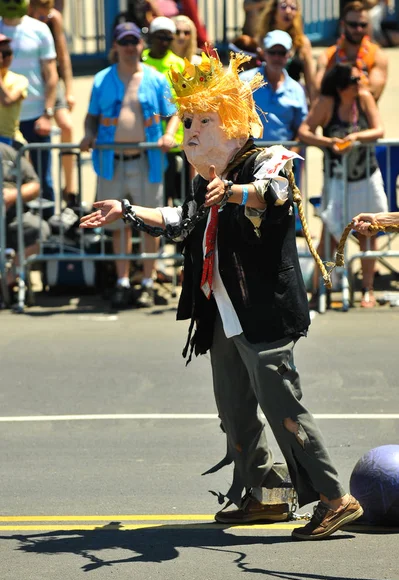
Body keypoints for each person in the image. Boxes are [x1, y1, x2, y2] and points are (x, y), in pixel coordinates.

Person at [80, 50, 364, 541]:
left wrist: (231, 192)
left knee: (283, 406)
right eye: (187, 120)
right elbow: (182, 220)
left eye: (204, 120)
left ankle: (336, 499)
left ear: (232, 120)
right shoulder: (202, 178)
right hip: (223, 313)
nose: (191, 131)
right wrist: (126, 208)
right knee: (233, 409)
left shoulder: (267, 160)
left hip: (264, 310)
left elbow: (273, 194)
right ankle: (265, 495)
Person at [79, 22, 179, 310]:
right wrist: (88, 133)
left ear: (141, 45)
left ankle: (147, 282)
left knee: (150, 222)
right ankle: (123, 281)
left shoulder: (156, 78)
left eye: (134, 42)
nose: (129, 47)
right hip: (113, 163)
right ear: (115, 46)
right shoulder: (101, 79)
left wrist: (169, 134)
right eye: (124, 42)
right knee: (118, 225)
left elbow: (173, 113)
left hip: (147, 161)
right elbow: (91, 117)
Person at [298, 62, 388, 309]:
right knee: (329, 236)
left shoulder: (365, 98)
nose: (360, 84)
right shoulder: (327, 103)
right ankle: (318, 289)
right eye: (355, 81)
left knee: (370, 232)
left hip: (366, 177)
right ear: (341, 87)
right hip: (337, 180)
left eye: (361, 79)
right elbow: (304, 131)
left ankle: (367, 289)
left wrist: (355, 137)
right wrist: (327, 141)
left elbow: (379, 129)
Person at [0, 0, 58, 203]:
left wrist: (47, 114)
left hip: (35, 118)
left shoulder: (39, 29)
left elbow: (51, 75)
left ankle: (47, 230)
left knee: (43, 178)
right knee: (9, 182)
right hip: (4, 124)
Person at [28, 0, 77, 208]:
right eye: (41, 13)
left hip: (52, 79)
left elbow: (63, 57)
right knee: (31, 131)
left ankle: (70, 187)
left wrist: (69, 90)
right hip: (30, 79)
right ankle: (31, 182)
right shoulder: (21, 20)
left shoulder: (53, 19)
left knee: (66, 126)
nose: (44, 17)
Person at [142, 17, 186, 207]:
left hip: (172, 141)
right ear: (151, 36)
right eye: (160, 37)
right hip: (146, 139)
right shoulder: (140, 59)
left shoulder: (178, 64)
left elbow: (183, 102)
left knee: (172, 194)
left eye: (169, 38)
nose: (164, 42)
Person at [240, 30, 308, 145]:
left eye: (282, 53)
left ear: (289, 55)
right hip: (249, 157)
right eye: (272, 52)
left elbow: (301, 130)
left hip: (284, 158)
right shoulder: (244, 81)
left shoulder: (296, 90)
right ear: (263, 53)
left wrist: (290, 156)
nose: (277, 57)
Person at [1, 141, 50, 291]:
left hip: (12, 217)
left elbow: (34, 184)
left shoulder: (7, 153)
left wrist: (13, 195)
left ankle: (8, 278)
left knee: (40, 229)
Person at [316, 1, 388, 102]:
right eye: (353, 25)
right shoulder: (327, 56)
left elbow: (374, 93)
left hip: (364, 114)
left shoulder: (378, 55)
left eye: (363, 25)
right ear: (343, 24)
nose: (358, 29)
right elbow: (318, 89)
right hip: (333, 114)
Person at [256, 0, 316, 101]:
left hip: (292, 101)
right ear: (274, 10)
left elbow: (311, 82)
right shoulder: (261, 40)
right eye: (283, 6)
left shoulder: (302, 43)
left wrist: (314, 107)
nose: (288, 11)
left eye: (293, 7)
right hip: (264, 101)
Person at [0, 33, 28, 147]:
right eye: (2, 53)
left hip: (9, 141)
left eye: (8, 53)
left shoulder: (19, 79)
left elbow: (7, 100)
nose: (5, 57)